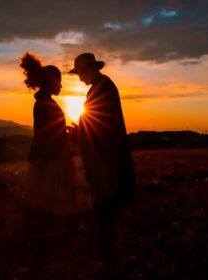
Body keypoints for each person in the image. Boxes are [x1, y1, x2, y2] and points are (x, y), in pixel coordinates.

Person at [69, 53, 135, 278]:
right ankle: (111, 255)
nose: (79, 79)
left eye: (80, 74)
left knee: (104, 209)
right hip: (107, 158)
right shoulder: (103, 86)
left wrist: (77, 132)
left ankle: (110, 259)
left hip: (105, 161)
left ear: (88, 70)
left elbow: (96, 123)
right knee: (107, 209)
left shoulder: (100, 87)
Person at [20, 52, 77, 279]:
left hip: (46, 159)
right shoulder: (46, 104)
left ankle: (41, 247)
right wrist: (70, 135)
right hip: (49, 161)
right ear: (52, 82)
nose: (62, 87)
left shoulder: (44, 102)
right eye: (60, 82)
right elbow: (48, 136)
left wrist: (65, 133)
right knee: (47, 202)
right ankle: (42, 250)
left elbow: (48, 133)